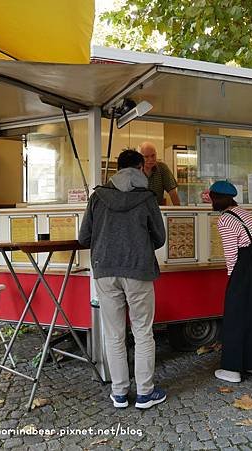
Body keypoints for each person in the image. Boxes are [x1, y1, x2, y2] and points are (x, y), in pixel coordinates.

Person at [78, 149, 167, 409]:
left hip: (105, 271)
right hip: (138, 270)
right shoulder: (147, 198)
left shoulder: (97, 197)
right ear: (140, 168)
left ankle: (119, 393)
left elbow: (85, 238)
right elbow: (159, 238)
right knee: (142, 332)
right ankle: (145, 394)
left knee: (115, 334)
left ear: (117, 170)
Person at [209, 180, 252, 383]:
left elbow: (232, 254)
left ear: (219, 199)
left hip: (244, 266)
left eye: (213, 198)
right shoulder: (245, 212)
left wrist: (233, 280)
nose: (211, 202)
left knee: (236, 315)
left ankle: (233, 369)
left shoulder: (224, 220)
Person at [139, 142, 181, 206]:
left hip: (157, 209)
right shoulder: (135, 170)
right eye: (146, 157)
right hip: (138, 210)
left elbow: (172, 193)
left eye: (153, 155)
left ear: (156, 154)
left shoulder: (162, 168)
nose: (151, 159)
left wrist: (178, 211)